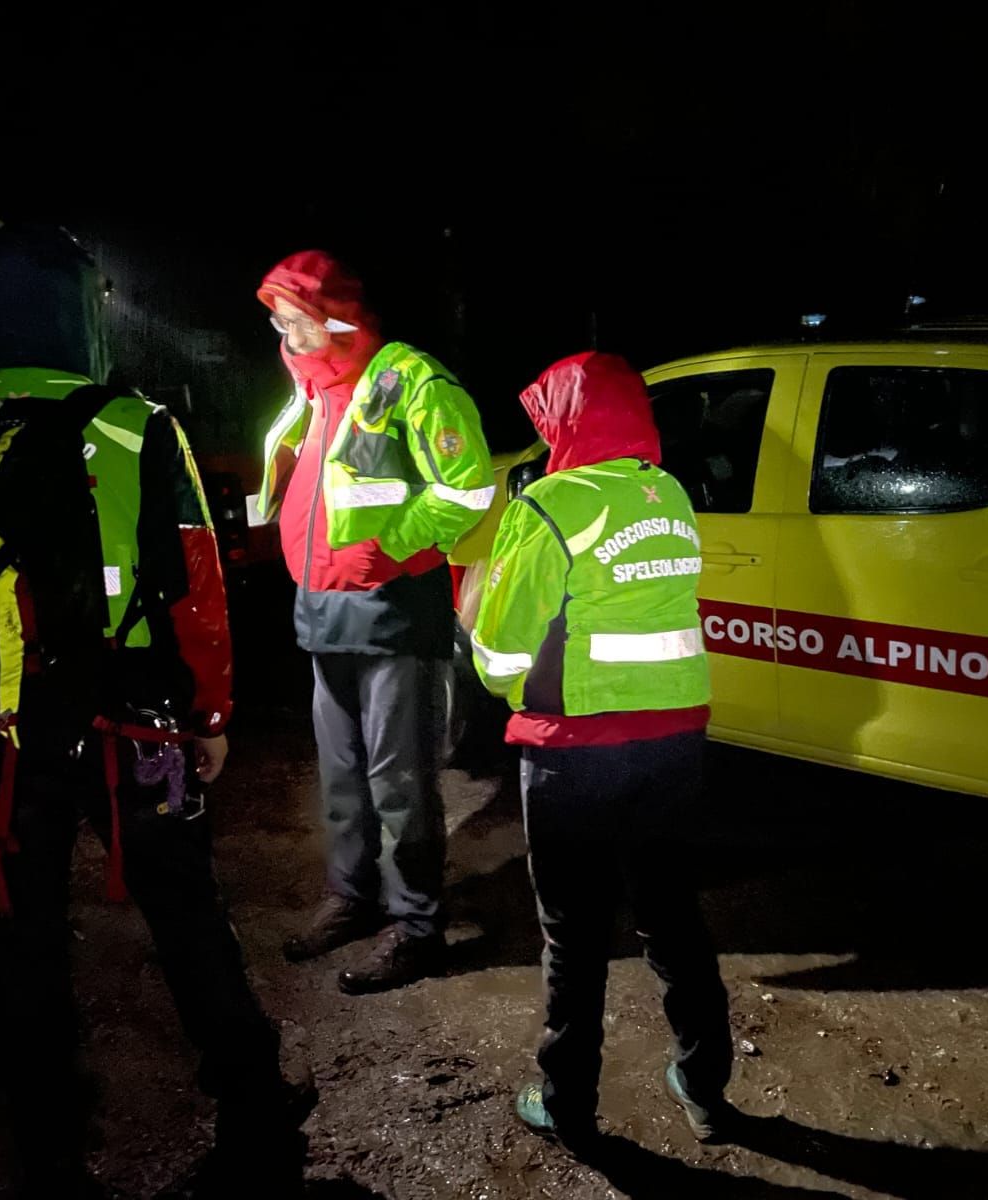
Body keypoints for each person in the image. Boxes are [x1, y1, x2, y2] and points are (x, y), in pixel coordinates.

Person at [0, 225, 309, 1197]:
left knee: (21, 934)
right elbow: (195, 590)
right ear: (82, 312)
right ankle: (251, 1104)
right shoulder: (135, 424)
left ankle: (48, 1148)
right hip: (133, 720)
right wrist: (209, 719)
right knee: (188, 916)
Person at [470, 351, 734, 1146]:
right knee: (672, 917)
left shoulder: (549, 505)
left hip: (573, 754)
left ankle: (567, 1103)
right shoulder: (672, 493)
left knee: (574, 936)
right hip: (675, 744)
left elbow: (502, 660)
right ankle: (705, 1086)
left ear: (565, 419)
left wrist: (477, 619)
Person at [255, 250, 493, 993]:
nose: (284, 336)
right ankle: (352, 899)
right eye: (277, 321)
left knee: (400, 780)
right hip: (322, 607)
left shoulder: (410, 381)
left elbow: (469, 488)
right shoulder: (313, 386)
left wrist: (387, 547)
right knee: (342, 776)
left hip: (392, 608)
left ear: (334, 318)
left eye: (295, 321)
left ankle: (417, 925)